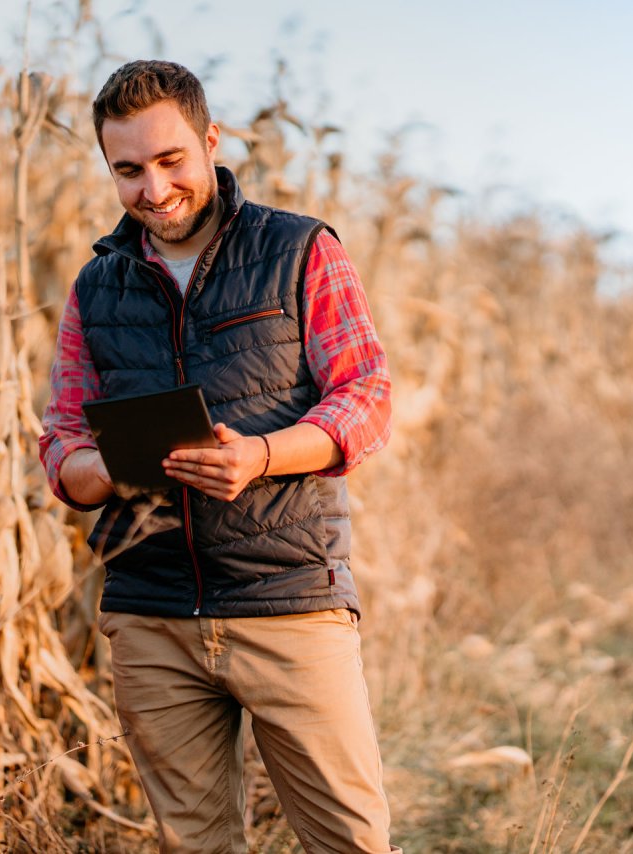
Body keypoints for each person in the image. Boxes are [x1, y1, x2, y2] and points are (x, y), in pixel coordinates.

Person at [38, 60, 398, 853]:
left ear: (210, 142)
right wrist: (92, 474)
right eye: (127, 170)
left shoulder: (299, 250)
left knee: (352, 843)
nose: (153, 189)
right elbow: (62, 432)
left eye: (170, 162)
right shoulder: (96, 287)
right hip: (151, 612)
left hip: (289, 598)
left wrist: (262, 456)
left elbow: (366, 397)